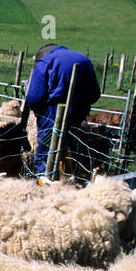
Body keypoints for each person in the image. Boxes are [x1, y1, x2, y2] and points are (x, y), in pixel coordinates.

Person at [25, 43, 102, 176]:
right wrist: (81, 105)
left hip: (53, 111)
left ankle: (45, 182)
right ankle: (69, 177)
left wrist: (40, 113)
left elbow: (34, 96)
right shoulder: (84, 59)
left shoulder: (45, 61)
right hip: (79, 111)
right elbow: (95, 93)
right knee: (68, 145)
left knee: (46, 151)